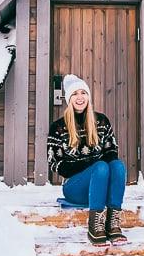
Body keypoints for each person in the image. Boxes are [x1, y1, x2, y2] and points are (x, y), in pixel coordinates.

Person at [47, 74, 127, 245]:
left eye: (83, 92)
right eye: (75, 93)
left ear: (88, 97)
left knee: (118, 166)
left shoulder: (102, 121)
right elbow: (58, 165)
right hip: (74, 188)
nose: (80, 97)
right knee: (100, 167)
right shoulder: (58, 127)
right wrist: (93, 165)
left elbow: (111, 152)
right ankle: (95, 227)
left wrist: (98, 165)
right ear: (69, 99)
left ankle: (113, 222)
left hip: (100, 188)